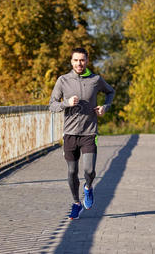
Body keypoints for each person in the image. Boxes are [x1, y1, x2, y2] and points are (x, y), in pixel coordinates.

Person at [49, 47, 115, 220]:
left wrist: (104, 107)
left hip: (89, 132)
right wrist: (66, 103)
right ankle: (76, 203)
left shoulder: (96, 79)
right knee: (71, 172)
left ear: (87, 61)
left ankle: (88, 187)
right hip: (69, 133)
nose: (79, 63)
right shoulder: (63, 80)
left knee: (89, 170)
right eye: (76, 60)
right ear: (71, 62)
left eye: (82, 60)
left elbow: (111, 92)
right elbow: (52, 105)